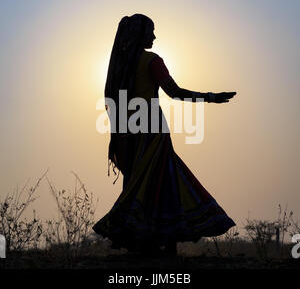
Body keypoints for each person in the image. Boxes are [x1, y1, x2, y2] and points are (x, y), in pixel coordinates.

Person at [93, 13, 237, 256]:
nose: (154, 36)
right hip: (152, 133)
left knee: (138, 185)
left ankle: (140, 243)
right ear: (141, 35)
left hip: (128, 135)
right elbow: (175, 92)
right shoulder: (152, 61)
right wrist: (211, 97)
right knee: (164, 183)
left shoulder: (121, 66)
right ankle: (165, 243)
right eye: (151, 31)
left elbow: (113, 102)